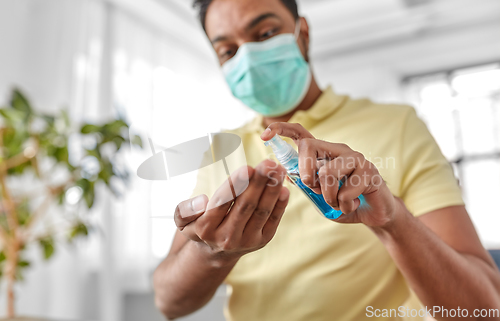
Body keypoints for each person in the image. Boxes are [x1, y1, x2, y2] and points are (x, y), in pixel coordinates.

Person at [153, 0, 500, 320]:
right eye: (228, 50)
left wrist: (392, 221)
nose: (248, 58)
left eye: (266, 33)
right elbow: (169, 303)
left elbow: (485, 310)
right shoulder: (220, 153)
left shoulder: (398, 126)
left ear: (302, 34)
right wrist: (214, 254)